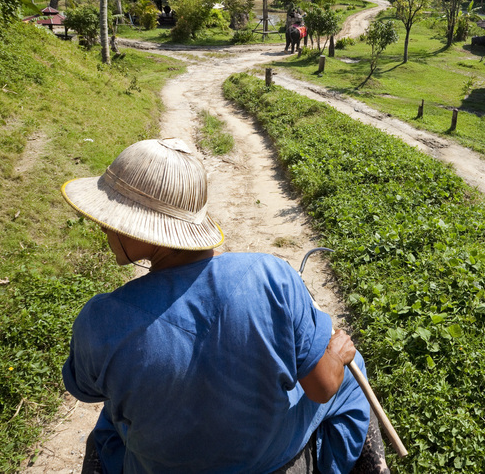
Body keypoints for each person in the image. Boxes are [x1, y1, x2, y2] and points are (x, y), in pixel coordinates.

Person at [60, 138, 389, 474]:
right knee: (350, 363)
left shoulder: (99, 319)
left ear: (146, 230)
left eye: (113, 216)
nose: (103, 225)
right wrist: (336, 355)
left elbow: (85, 389)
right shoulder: (270, 275)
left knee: (109, 421)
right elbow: (322, 388)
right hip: (266, 458)